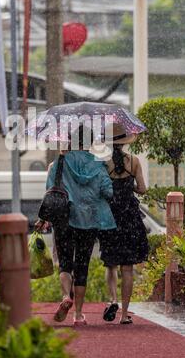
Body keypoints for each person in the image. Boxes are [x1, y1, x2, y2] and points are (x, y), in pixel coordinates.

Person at [38, 128, 116, 326]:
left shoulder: (60, 163)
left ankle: (66, 296)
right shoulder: (98, 164)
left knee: (65, 262)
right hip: (89, 220)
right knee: (82, 266)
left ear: (71, 141)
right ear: (90, 143)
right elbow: (107, 191)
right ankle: (78, 314)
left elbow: (50, 189)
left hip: (64, 218)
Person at [99, 139, 149, 324]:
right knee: (127, 267)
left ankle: (113, 300)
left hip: (109, 217)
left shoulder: (103, 163)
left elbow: (101, 190)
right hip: (129, 218)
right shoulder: (134, 161)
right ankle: (125, 314)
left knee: (110, 263)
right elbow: (142, 189)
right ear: (124, 142)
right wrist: (129, 187)